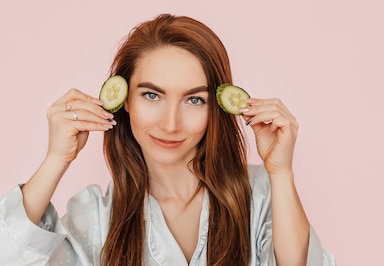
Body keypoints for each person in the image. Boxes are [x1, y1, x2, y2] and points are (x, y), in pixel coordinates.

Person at [0, 13, 335, 266]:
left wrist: (281, 172)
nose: (171, 123)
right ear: (125, 100)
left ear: (215, 106)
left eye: (194, 100)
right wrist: (57, 158)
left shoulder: (260, 194)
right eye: (151, 96)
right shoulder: (95, 218)